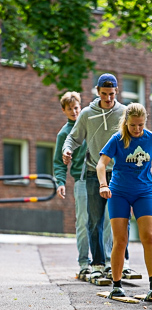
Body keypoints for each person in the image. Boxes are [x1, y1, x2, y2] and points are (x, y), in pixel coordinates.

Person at [96, 103, 152, 299]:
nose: (137, 129)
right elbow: (101, 164)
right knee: (120, 240)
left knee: (149, 237)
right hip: (118, 193)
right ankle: (117, 284)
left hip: (143, 193)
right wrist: (104, 185)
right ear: (126, 122)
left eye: (140, 125)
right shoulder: (117, 139)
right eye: (133, 125)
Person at [62, 74, 127, 282]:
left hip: (118, 173)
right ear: (97, 92)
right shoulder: (87, 114)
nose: (108, 99)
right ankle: (97, 264)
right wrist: (67, 150)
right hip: (93, 172)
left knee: (118, 219)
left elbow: (137, 135)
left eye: (111, 94)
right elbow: (73, 137)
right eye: (104, 94)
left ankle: (115, 262)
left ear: (116, 92)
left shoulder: (124, 113)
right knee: (94, 220)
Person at [53, 91, 91, 274]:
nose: (74, 112)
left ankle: (107, 261)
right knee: (83, 221)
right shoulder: (64, 133)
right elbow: (58, 162)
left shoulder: (91, 124)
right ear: (64, 110)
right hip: (81, 180)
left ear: (81, 106)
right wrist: (60, 182)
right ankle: (84, 262)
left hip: (100, 177)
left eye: (76, 108)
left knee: (106, 221)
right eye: (70, 109)